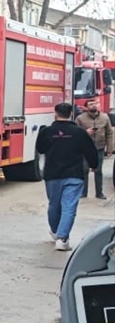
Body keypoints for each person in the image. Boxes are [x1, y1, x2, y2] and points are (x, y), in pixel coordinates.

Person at [35, 101, 100, 251]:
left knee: (54, 205)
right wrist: (94, 165)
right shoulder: (79, 132)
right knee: (69, 207)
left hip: (52, 175)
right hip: (74, 175)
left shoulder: (47, 131)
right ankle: (62, 239)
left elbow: (41, 149)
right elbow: (90, 151)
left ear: (55, 114)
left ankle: (56, 231)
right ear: (71, 114)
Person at [75, 98, 112, 199]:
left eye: (95, 103)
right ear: (86, 107)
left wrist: (110, 148)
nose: (94, 105)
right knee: (84, 170)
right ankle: (83, 192)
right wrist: (85, 132)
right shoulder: (80, 118)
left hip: (99, 148)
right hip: (85, 148)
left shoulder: (105, 117)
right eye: (91, 104)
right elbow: (75, 133)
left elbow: (109, 133)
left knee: (98, 170)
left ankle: (99, 193)